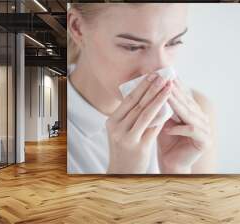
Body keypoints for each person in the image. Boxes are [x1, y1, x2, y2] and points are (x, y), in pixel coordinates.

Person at [67, 3, 216, 174]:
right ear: (77, 28)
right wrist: (122, 173)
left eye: (173, 42)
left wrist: (176, 169)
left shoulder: (195, 114)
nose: (160, 71)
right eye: (133, 47)